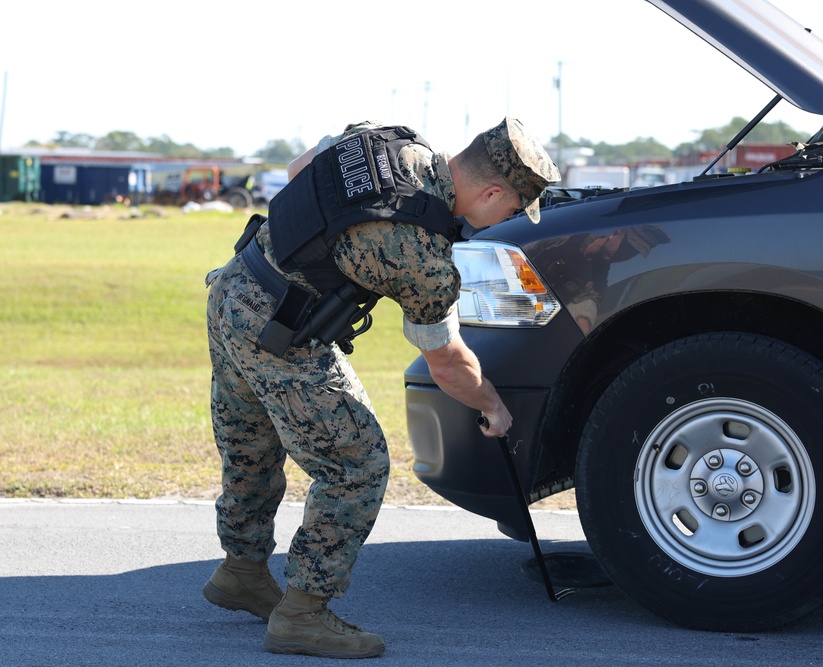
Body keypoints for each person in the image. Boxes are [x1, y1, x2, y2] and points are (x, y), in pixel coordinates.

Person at [201, 117, 560, 659]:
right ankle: (302, 614)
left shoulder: (382, 142)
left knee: (252, 442)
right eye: (509, 210)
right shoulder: (424, 258)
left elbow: (300, 171)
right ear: (490, 192)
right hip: (280, 333)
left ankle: (242, 571)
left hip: (234, 289)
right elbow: (446, 362)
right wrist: (492, 405)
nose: (502, 221)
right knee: (356, 463)